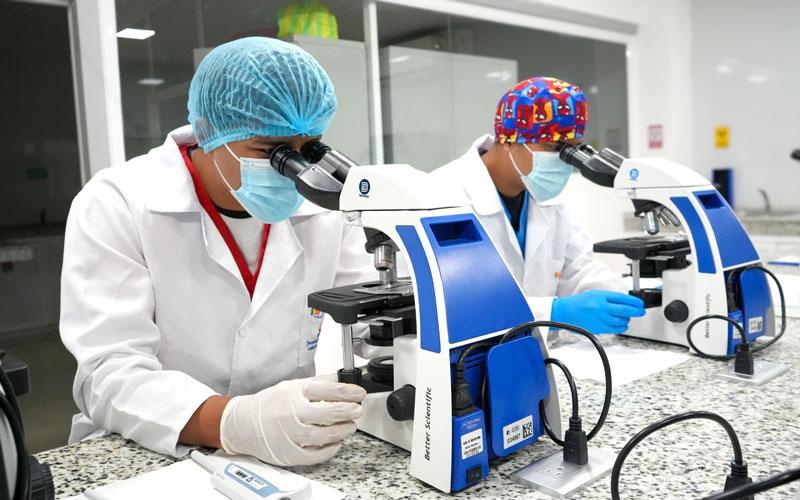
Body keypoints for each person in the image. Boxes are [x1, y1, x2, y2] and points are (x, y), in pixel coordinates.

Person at [60, 37, 375, 467]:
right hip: (153, 447)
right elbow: (109, 373)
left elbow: (367, 324)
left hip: (291, 444)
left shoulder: (324, 210)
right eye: (272, 152)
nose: (296, 171)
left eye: (310, 148)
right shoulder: (117, 202)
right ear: (211, 132)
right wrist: (235, 421)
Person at [433, 76, 644, 335]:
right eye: (555, 147)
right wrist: (554, 313)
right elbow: (450, 301)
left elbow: (578, 269)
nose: (564, 160)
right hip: (469, 362)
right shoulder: (440, 195)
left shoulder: (550, 199)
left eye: (573, 149)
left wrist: (630, 293)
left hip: (539, 356)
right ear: (509, 139)